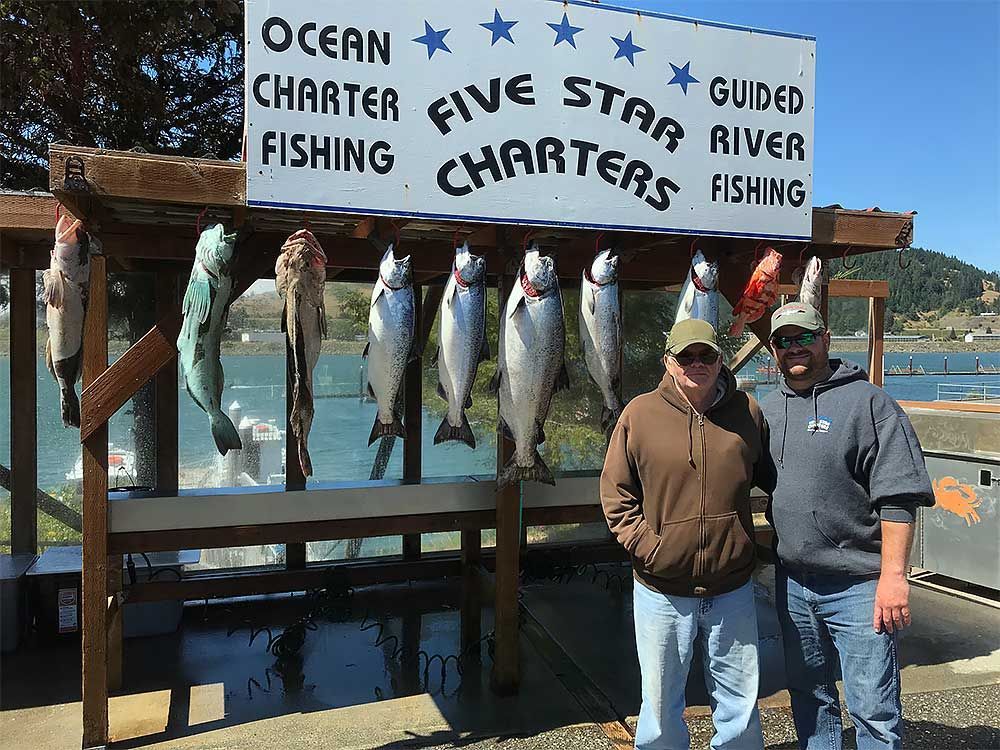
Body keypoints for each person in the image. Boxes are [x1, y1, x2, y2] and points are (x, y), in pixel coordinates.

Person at [760, 302, 934, 750]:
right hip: (793, 583)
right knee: (809, 696)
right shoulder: (767, 409)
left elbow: (899, 498)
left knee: (873, 707)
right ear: (773, 350)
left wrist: (893, 578)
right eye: (784, 340)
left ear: (826, 338)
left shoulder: (870, 403)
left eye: (804, 337)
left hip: (859, 586)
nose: (794, 347)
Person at [601, 318, 775, 750]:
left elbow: (776, 480)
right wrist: (651, 548)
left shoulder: (748, 412)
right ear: (669, 362)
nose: (696, 363)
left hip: (732, 586)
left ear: (719, 360)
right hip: (662, 589)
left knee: (740, 702)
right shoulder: (638, 414)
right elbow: (616, 494)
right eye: (686, 356)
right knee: (660, 706)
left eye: (706, 355)